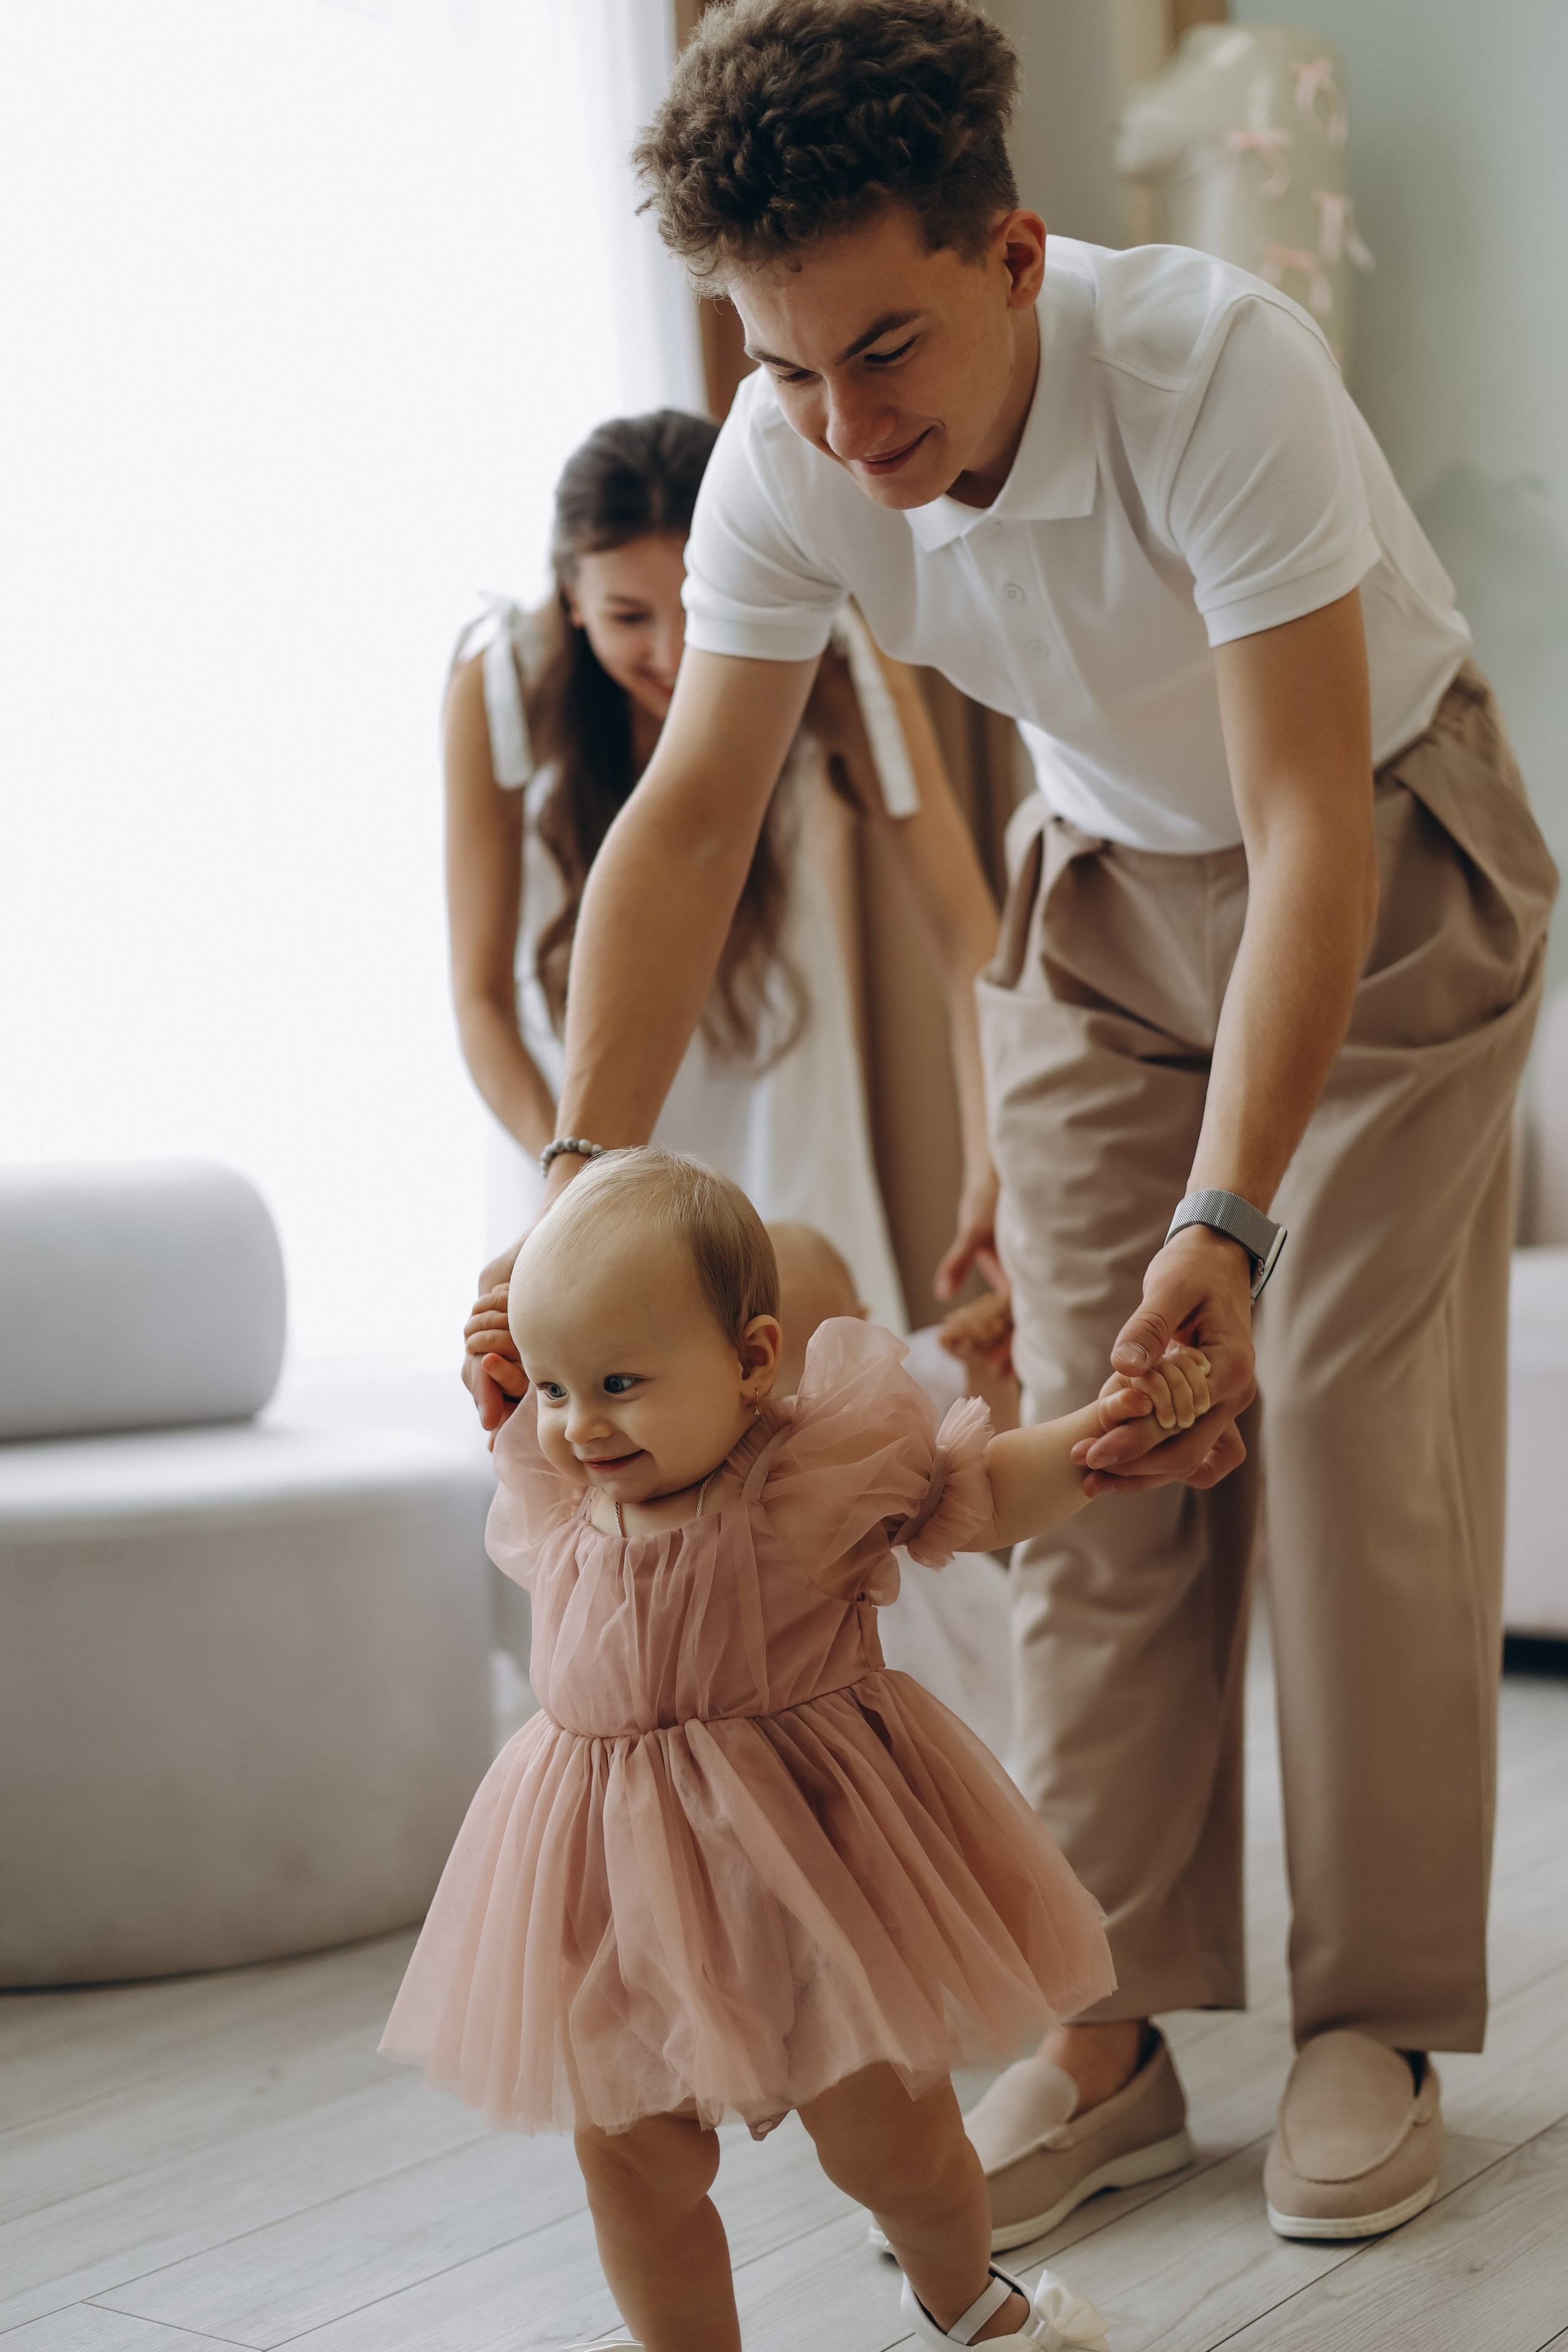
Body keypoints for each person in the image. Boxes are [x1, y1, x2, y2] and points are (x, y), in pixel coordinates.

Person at [462, 0, 1558, 2248]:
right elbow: (679, 831)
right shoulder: (787, 461)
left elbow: (1297, 827)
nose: (843, 428)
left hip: (1373, 847)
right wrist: (575, 1181)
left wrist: (1230, 1218)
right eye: (785, 371)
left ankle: (1371, 2014)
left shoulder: (1212, 368)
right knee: (1089, 1429)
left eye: (884, 352)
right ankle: (1110, 2011)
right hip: (1102, 890)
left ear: (1016, 257)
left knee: (1340, 1417)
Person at [386, 1149, 1212, 2352]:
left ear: (752, 1362)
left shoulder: (802, 1480)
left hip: (815, 1872)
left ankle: (965, 2299)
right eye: (557, 1389)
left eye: (617, 1381)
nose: (580, 1424)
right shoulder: (564, 1481)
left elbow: (977, 1486)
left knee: (894, 2144)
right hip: (614, 1885)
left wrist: (1095, 1441)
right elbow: (524, 1386)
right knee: (629, 2158)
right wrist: (519, 1361)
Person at [444, 407, 1003, 1331]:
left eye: (697, 608)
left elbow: (965, 937)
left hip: (778, 1079)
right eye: (628, 617)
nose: (670, 656)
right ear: (571, 596)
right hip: (579, 1099)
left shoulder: (823, 662)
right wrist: (575, 1177)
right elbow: (479, 1001)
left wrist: (993, 1156)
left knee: (809, 1396)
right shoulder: (499, 690)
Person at [768, 1218, 1015, 1761]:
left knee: (960, 1735)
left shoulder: (901, 1383)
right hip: (828, 1631)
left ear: (862, 1325)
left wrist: (980, 1356)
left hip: (922, 1592)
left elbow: (994, 1438)